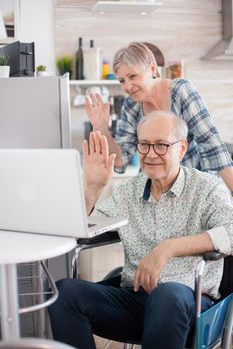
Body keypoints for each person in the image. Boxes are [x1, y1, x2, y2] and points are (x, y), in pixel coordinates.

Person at [48, 111, 233, 349]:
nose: (151, 154)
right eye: (144, 145)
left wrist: (167, 249)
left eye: (161, 145)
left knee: (167, 295)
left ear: (183, 148)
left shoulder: (207, 188)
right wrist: (91, 188)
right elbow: (80, 230)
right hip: (135, 301)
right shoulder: (127, 192)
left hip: (192, 306)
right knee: (64, 293)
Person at [84, 42, 233, 193]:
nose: (127, 86)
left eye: (133, 76)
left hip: (194, 190)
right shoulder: (131, 105)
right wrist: (101, 126)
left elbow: (213, 146)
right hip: (156, 191)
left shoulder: (181, 91)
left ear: (152, 69)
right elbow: (120, 161)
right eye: (122, 80)